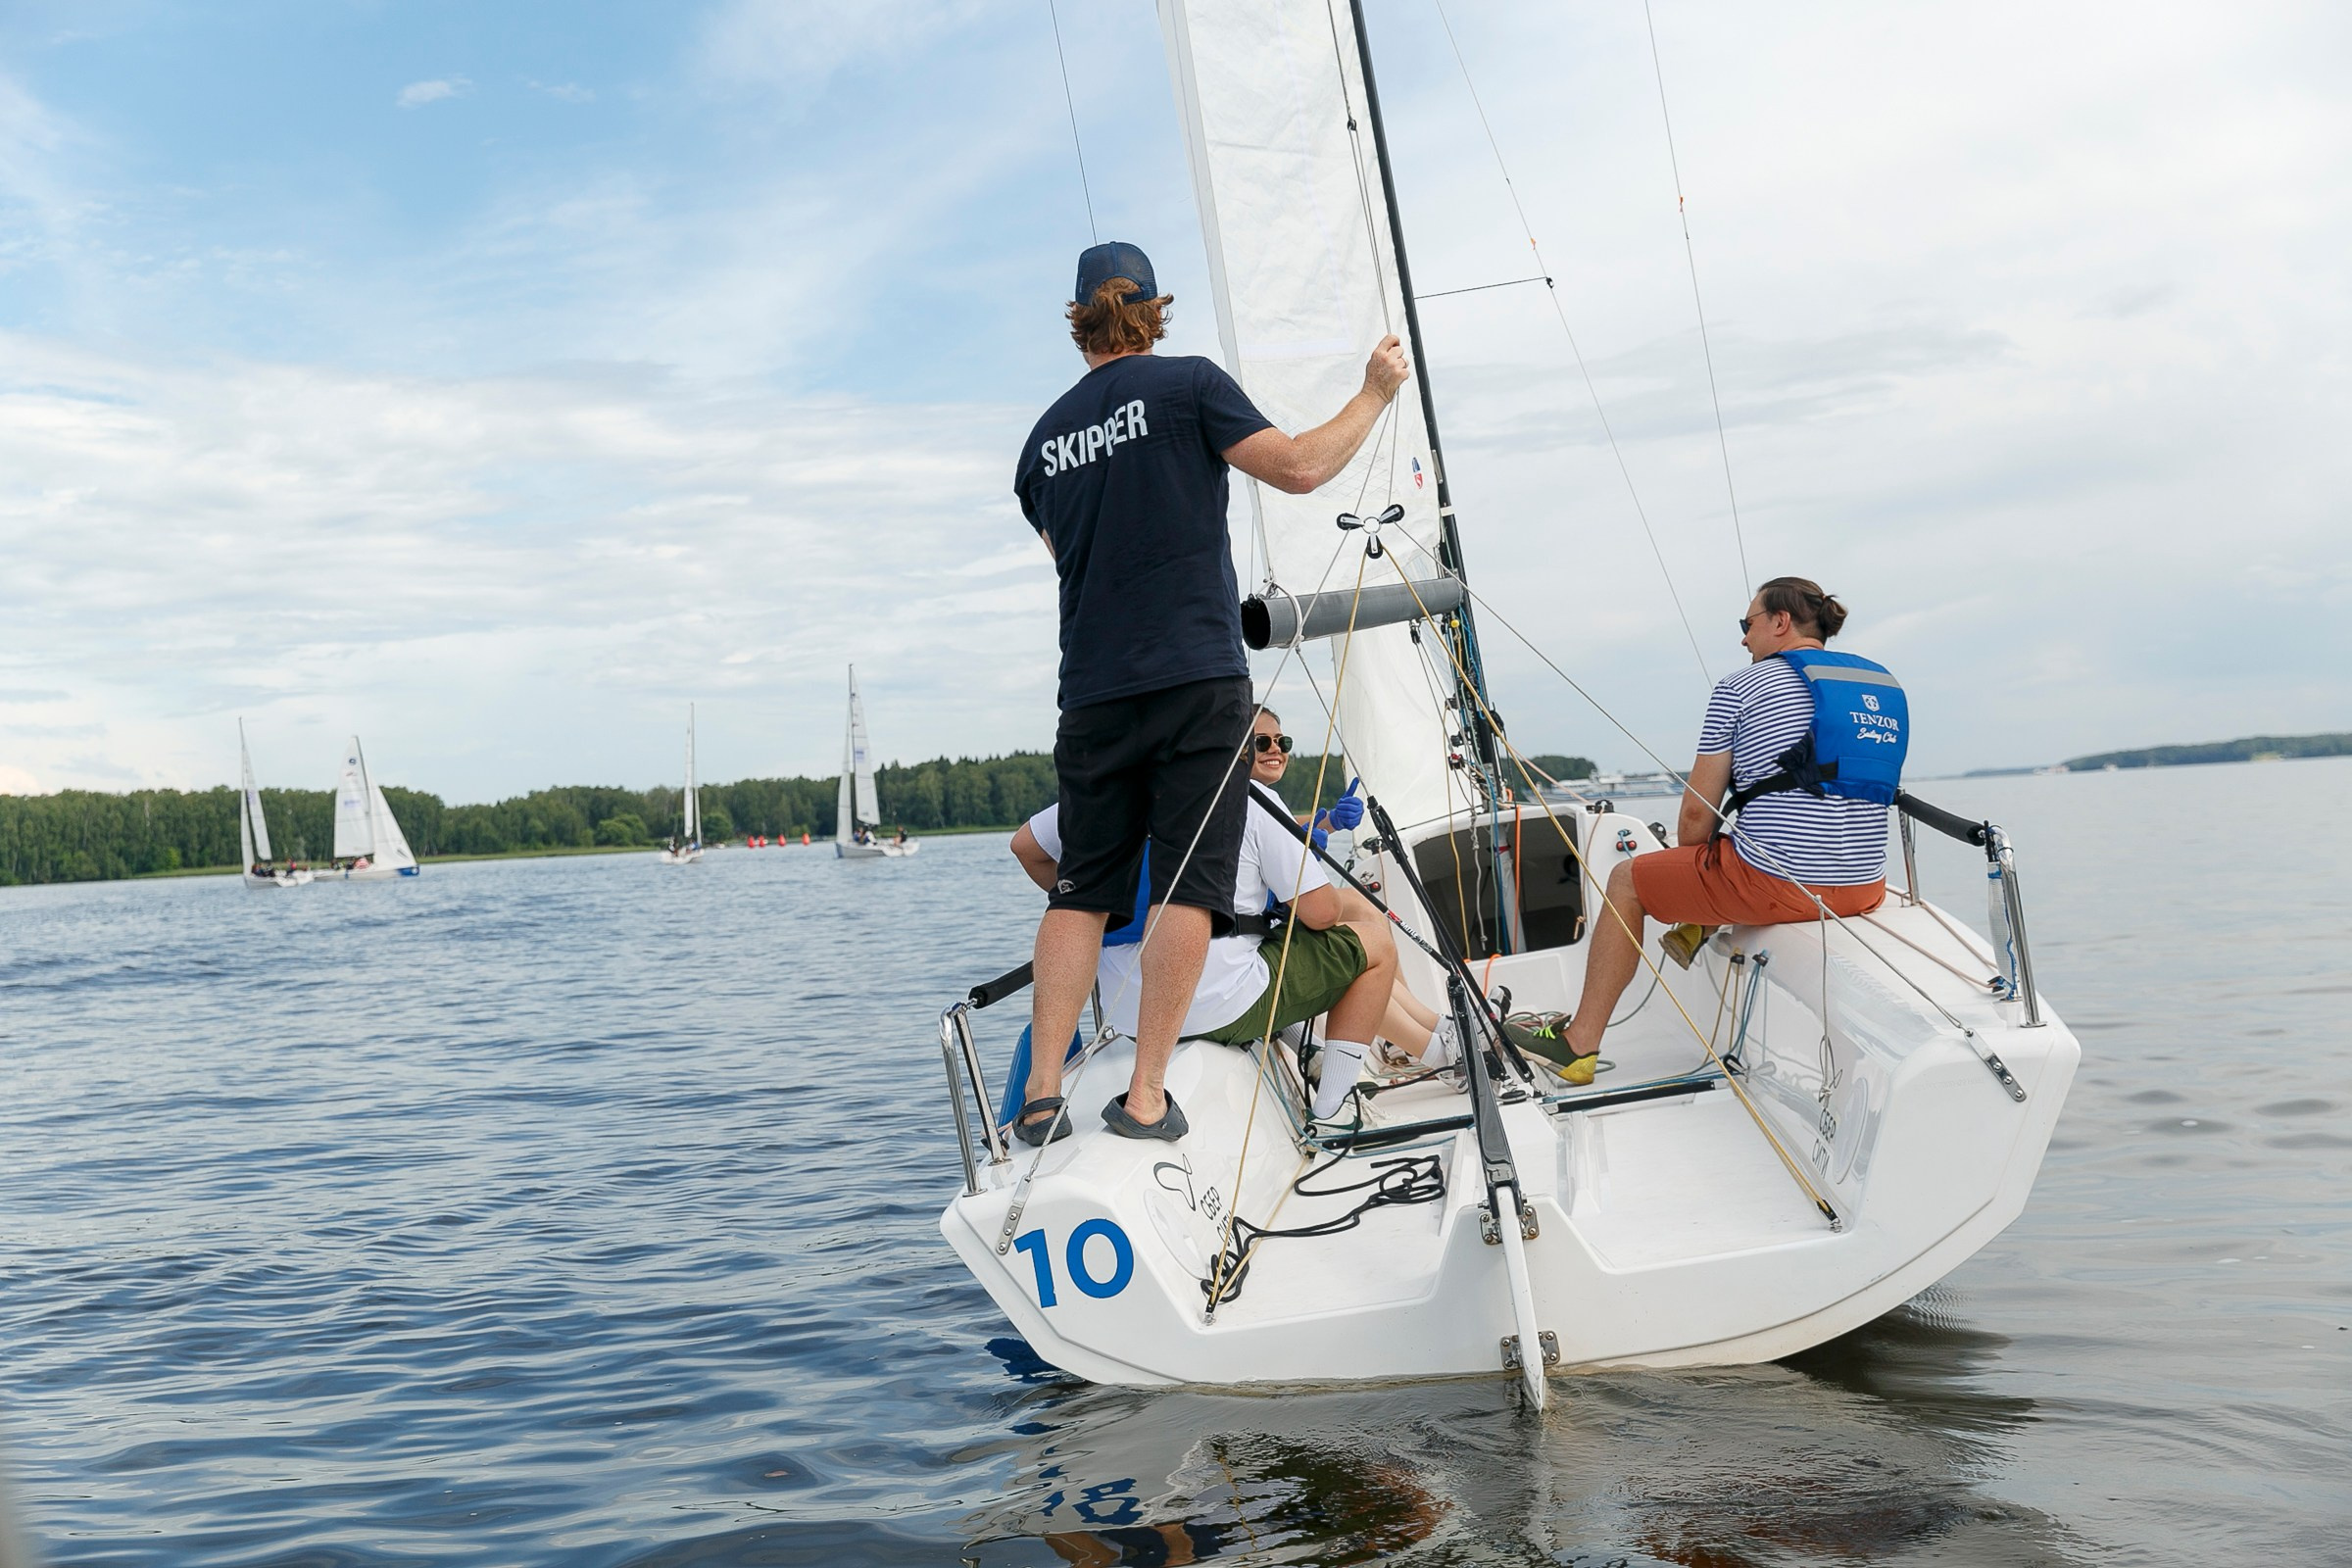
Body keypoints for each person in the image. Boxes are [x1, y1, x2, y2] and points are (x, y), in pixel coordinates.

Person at [1007, 240, 1410, 1144]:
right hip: (1194, 677)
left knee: (1078, 890)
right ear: (1153, 311)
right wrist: (1375, 393)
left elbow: (1069, 559)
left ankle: (1041, 1096)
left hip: (1094, 691)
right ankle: (1146, 1096)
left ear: (1079, 324)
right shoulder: (1188, 386)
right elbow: (1302, 467)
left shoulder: (1039, 447)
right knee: (1189, 884)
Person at [1555, 577, 1896, 1078]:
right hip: (1865, 886)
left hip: (1782, 886)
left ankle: (1578, 1045)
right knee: (1743, 852)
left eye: (1748, 623)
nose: (1743, 639)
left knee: (1626, 880)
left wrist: (1694, 868)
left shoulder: (1740, 686)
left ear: (1780, 622)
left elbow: (1696, 818)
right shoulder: (1880, 683)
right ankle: (1704, 918)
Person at [1009, 707, 1408, 1125]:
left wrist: (1102, 904)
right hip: (1215, 1007)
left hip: (1124, 1016)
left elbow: (1025, 847)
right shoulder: (1250, 798)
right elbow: (1322, 914)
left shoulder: (1104, 793)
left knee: (1256, 938)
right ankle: (1335, 1111)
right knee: (1373, 943)